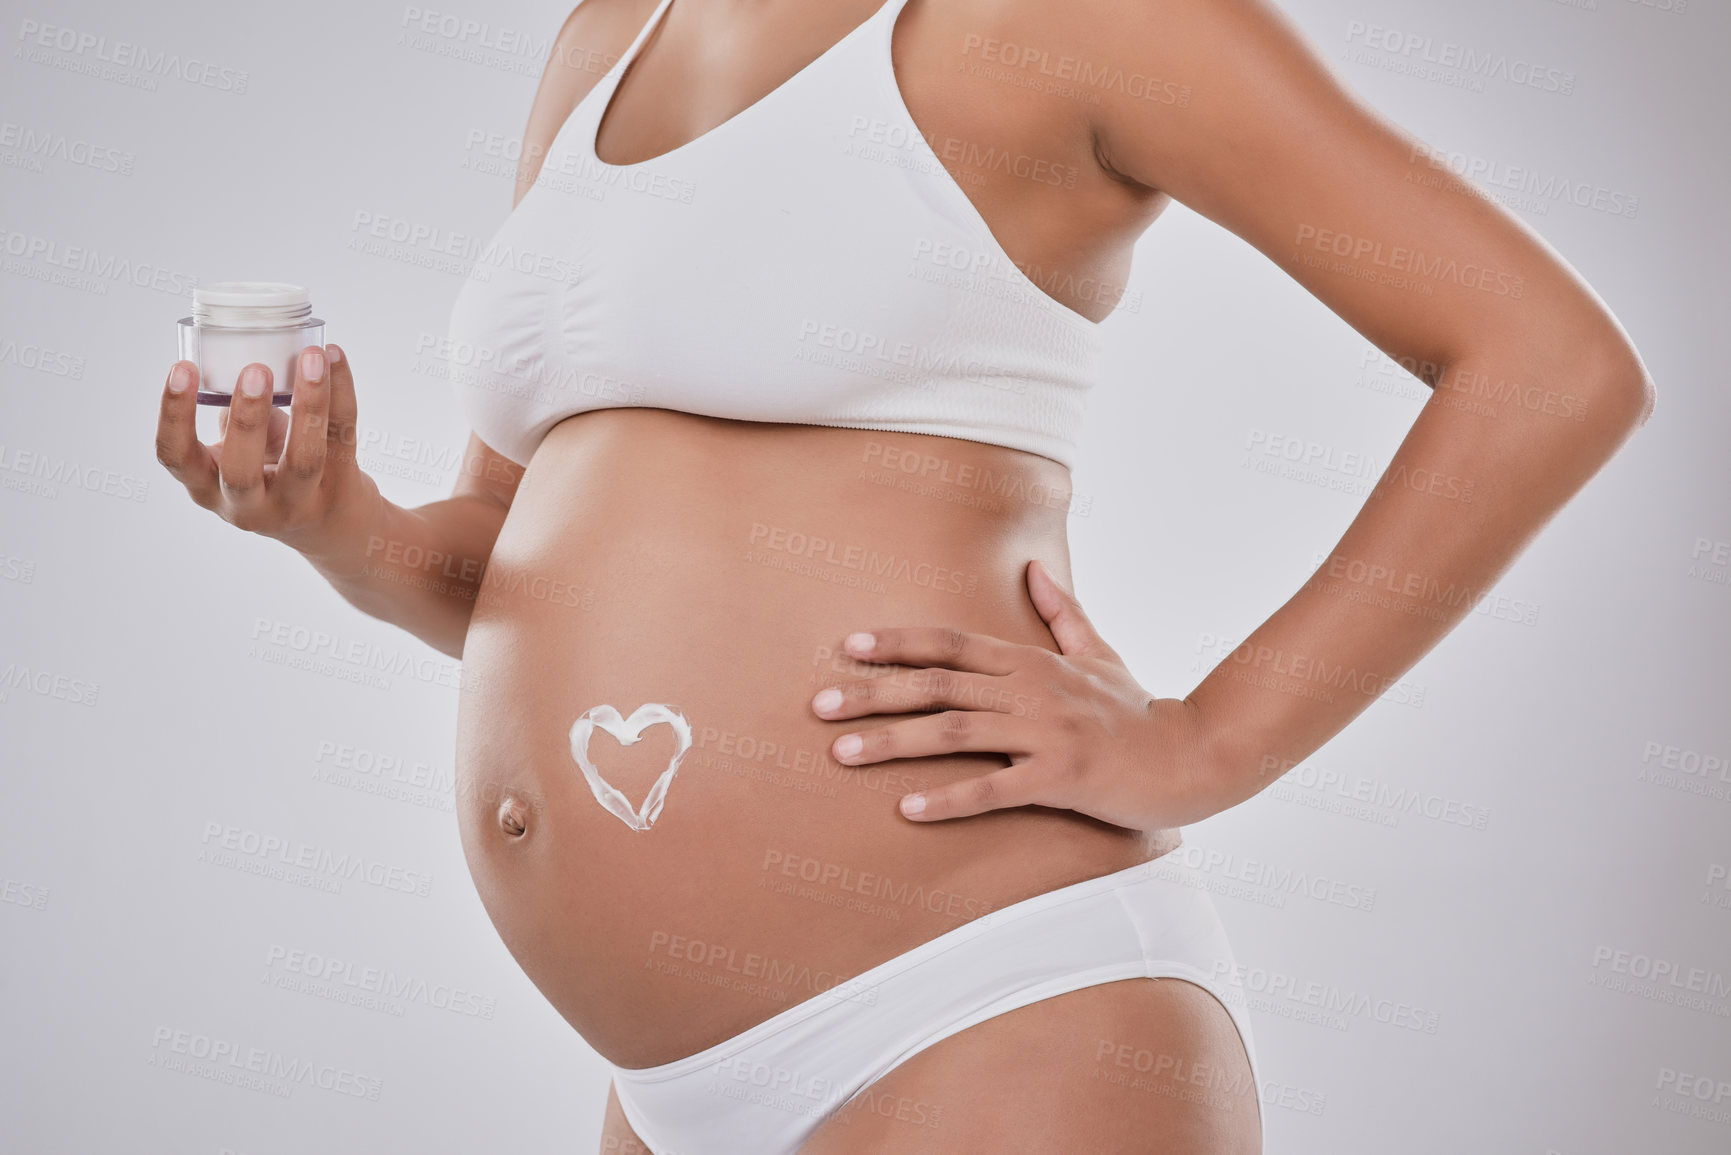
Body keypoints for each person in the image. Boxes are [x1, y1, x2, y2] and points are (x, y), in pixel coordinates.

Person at [153, 0, 1655, 1150]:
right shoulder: (610, 35)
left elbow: (1547, 362)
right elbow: (504, 562)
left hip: (988, 1020)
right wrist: (334, 523)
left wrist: (1209, 740)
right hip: (665, 1087)